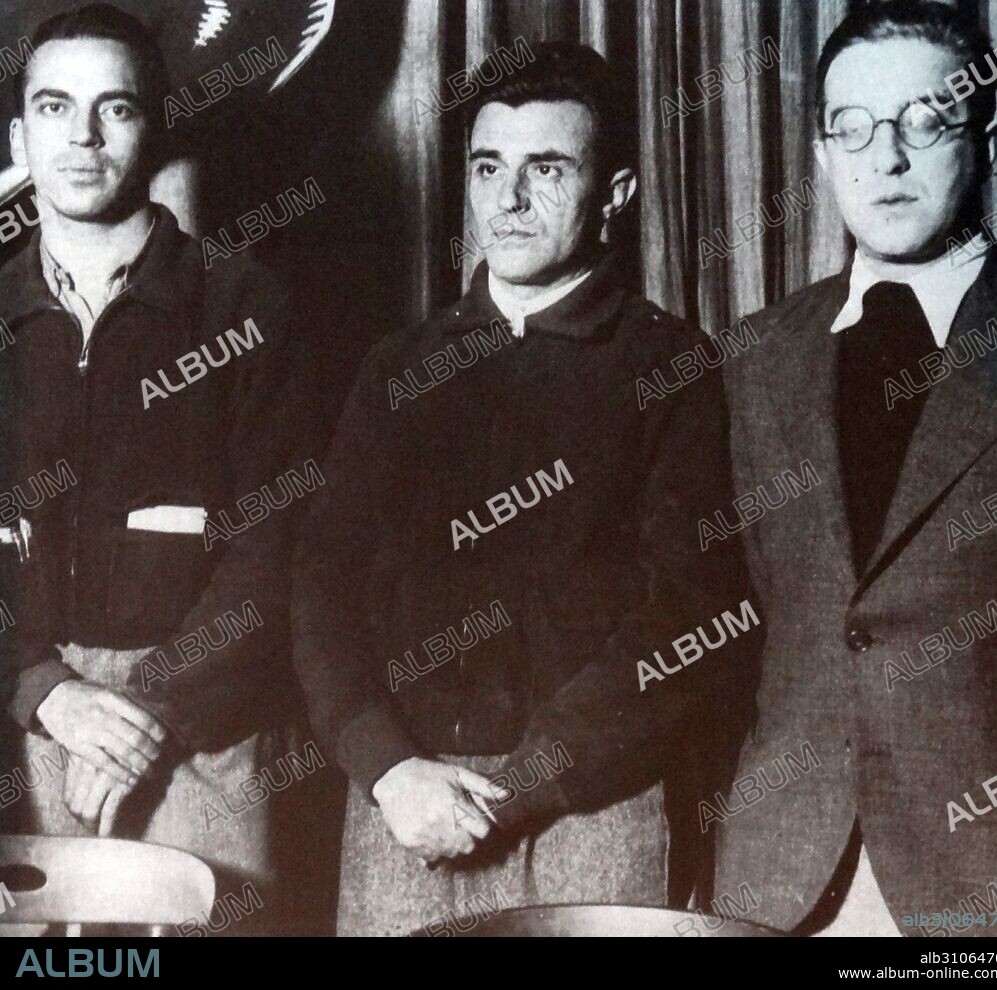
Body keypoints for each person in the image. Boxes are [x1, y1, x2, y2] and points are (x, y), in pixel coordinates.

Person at [293, 41, 753, 936]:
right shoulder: (398, 368)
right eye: (488, 168)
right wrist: (385, 765)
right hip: (404, 810)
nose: (507, 200)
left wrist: (524, 785)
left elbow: (690, 616)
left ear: (614, 194)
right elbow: (320, 587)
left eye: (546, 169)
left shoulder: (672, 366)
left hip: (591, 815)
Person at [712, 0, 997, 937]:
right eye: (852, 127)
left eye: (924, 123)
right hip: (779, 882)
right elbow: (720, 635)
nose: (884, 158)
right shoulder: (755, 356)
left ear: (988, 133)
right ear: (820, 150)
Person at [0, 3, 308, 933]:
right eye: (55, 107)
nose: (82, 136)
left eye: (115, 108)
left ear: (158, 124)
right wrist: (44, 691)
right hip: (17, 726)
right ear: (18, 135)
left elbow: (280, 548)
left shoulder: (247, 305)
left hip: (201, 734)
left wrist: (152, 710)